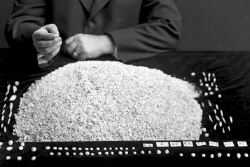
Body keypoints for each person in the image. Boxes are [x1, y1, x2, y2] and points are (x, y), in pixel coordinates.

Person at [5, 0, 182, 67]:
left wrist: (106, 42)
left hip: (127, 81)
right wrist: (36, 37)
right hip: (54, 79)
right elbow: (20, 23)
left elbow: (168, 28)